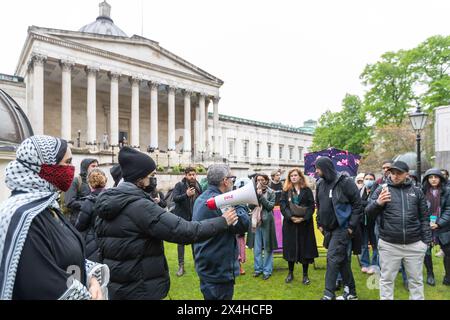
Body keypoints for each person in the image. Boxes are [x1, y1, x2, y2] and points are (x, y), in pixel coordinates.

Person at [94, 147, 237, 300]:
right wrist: (222, 221)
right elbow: (184, 231)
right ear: (140, 177)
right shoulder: (140, 206)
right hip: (140, 288)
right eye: (151, 175)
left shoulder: (107, 203)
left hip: (117, 287)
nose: (153, 179)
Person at [0, 135, 109, 300]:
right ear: (42, 166)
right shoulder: (24, 217)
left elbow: (68, 258)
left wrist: (92, 279)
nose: (71, 169)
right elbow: (43, 285)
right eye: (67, 162)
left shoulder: (47, 206)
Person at [366, 161, 431, 300]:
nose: (395, 176)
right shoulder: (381, 189)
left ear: (407, 174)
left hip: (414, 244)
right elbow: (368, 213)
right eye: (392, 173)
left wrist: (425, 242)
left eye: (399, 173)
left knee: (416, 281)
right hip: (389, 244)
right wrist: (378, 203)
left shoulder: (417, 191)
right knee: (387, 280)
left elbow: (425, 218)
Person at [193, 164, 250, 300]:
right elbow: (242, 225)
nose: (233, 181)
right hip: (219, 268)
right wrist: (239, 201)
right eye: (232, 178)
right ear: (225, 180)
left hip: (207, 264)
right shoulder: (221, 202)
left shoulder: (201, 198)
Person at [315, 157, 362, 300]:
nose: (316, 171)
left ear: (325, 168)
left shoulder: (345, 182)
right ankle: (352, 292)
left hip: (342, 228)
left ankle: (328, 293)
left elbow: (357, 205)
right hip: (327, 229)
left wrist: (350, 227)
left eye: (318, 168)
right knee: (341, 260)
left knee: (332, 258)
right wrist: (319, 223)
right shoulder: (320, 184)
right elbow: (319, 205)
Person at [280, 168, 318, 285]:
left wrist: (303, 218)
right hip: (290, 224)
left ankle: (305, 275)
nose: (293, 177)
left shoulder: (306, 190)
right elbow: (283, 206)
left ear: (300, 176)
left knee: (304, 249)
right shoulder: (286, 191)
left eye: (295, 175)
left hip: (305, 225)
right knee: (291, 249)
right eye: (291, 176)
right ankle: (290, 273)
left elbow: (311, 206)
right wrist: (291, 217)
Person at [172, 167, 203, 276]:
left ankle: (197, 264)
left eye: (194, 174)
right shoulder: (179, 185)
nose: (192, 177)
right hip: (181, 219)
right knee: (181, 243)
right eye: (190, 174)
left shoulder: (198, 186)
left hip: (194, 218)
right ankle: (181, 267)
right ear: (185, 175)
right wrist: (186, 195)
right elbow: (174, 198)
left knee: (195, 241)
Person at [422, 168, 450, 286]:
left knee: (448, 252)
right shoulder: (421, 192)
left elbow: (449, 209)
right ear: (427, 179)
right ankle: (430, 275)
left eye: (436, 177)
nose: (433, 180)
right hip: (426, 226)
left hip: (443, 227)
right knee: (426, 252)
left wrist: (439, 223)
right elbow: (419, 209)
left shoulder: (447, 191)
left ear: (441, 178)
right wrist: (426, 223)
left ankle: (448, 276)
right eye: (430, 177)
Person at [247, 174, 277, 280]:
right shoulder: (252, 192)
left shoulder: (271, 192)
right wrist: (255, 196)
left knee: (268, 247)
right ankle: (258, 269)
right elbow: (249, 207)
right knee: (257, 248)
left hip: (267, 222)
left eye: (262, 180)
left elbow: (269, 207)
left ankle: (267, 270)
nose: (259, 181)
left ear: (266, 181)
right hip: (256, 222)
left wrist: (260, 197)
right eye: (258, 180)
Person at [75, 168, 107, 262]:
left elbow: (80, 226)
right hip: (110, 242)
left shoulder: (89, 202)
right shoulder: (113, 198)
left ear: (90, 183)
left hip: (93, 242)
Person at [64, 158, 98, 225]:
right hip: (77, 221)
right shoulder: (76, 181)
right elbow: (69, 202)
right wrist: (88, 204)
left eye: (97, 166)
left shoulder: (95, 181)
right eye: (93, 166)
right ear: (85, 167)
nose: (96, 168)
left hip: (92, 222)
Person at [359, 173, 378, 274]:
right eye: (366, 178)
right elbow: (358, 204)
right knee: (364, 244)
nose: (368, 180)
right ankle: (365, 264)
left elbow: (375, 204)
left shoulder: (377, 190)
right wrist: (367, 203)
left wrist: (365, 203)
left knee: (375, 244)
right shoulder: (360, 191)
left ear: (374, 180)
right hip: (363, 222)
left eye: (371, 179)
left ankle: (375, 265)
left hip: (374, 222)